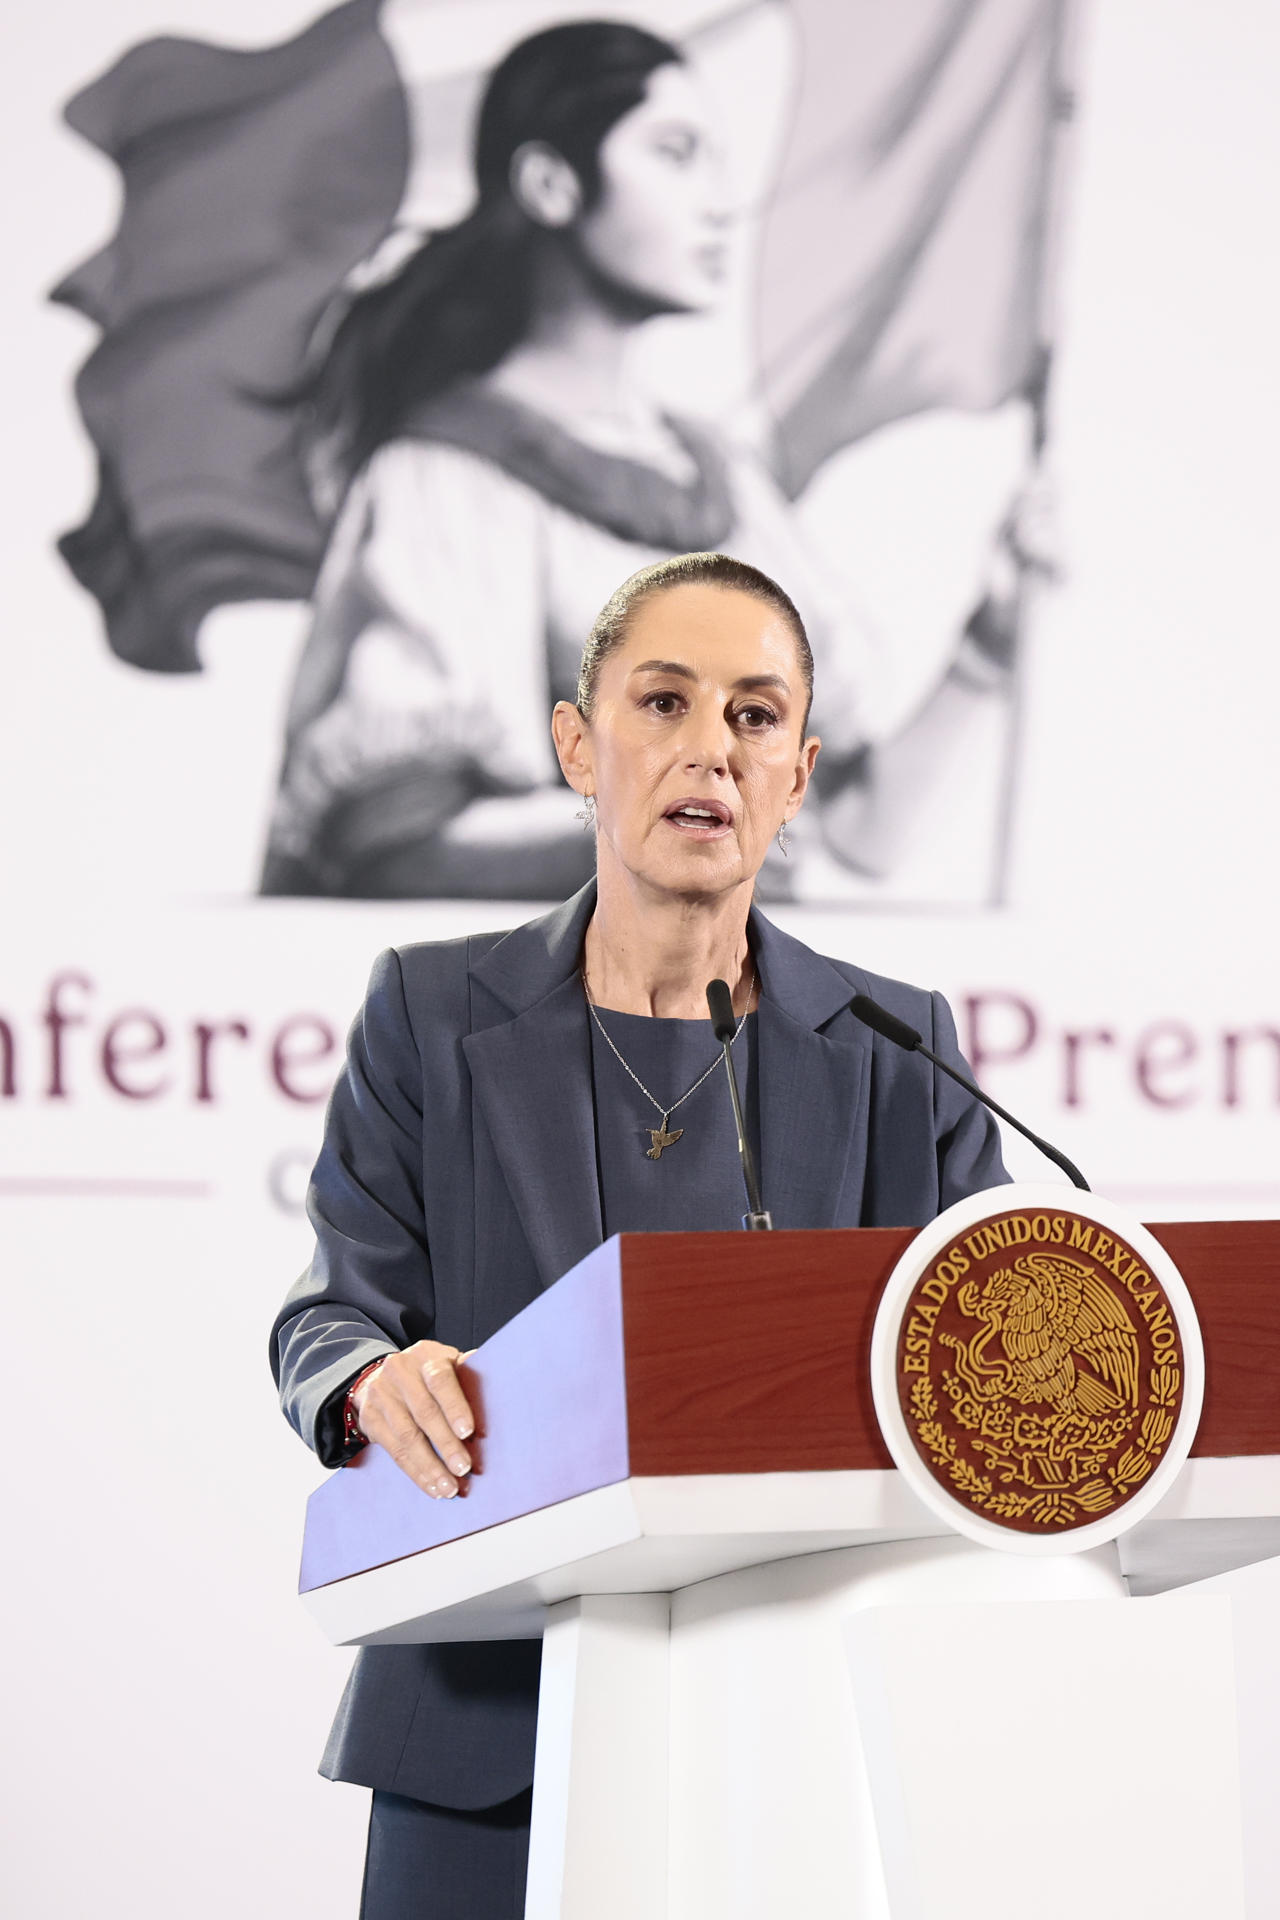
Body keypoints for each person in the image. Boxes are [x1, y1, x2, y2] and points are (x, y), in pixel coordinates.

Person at [271, 549, 1008, 1916]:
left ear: (799, 772)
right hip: (484, 1728)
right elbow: (331, 1314)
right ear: (576, 745)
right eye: (662, 703)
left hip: (792, 1729)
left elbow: (988, 1354)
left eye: (754, 715)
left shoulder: (899, 1051)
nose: (709, 753)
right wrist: (375, 1381)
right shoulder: (431, 1016)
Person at [258, 19, 1010, 903]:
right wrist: (677, 831)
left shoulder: (724, 486)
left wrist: (987, 650)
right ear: (550, 183)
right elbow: (401, 846)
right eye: (675, 152)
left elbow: (853, 834)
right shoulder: (445, 481)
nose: (719, 202)